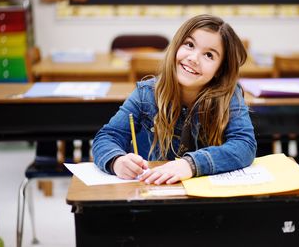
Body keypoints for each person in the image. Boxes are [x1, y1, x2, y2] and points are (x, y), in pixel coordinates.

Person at [93, 14, 257, 185]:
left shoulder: (228, 95)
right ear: (176, 46)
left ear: (219, 70)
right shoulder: (146, 93)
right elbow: (107, 137)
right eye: (189, 45)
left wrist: (191, 164)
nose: (193, 58)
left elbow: (244, 145)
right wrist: (116, 161)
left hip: (205, 200)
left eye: (209, 55)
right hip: (151, 193)